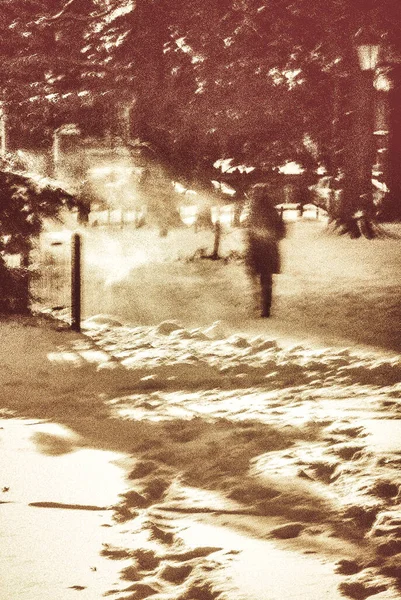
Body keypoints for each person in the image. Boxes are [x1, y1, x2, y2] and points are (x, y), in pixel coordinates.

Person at [244, 183, 286, 317]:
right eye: (254, 192)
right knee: (260, 276)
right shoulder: (257, 209)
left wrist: (266, 236)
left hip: (264, 249)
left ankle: (264, 307)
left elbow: (281, 231)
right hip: (260, 248)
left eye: (257, 192)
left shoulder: (265, 210)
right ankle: (262, 305)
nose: (254, 194)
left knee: (264, 277)